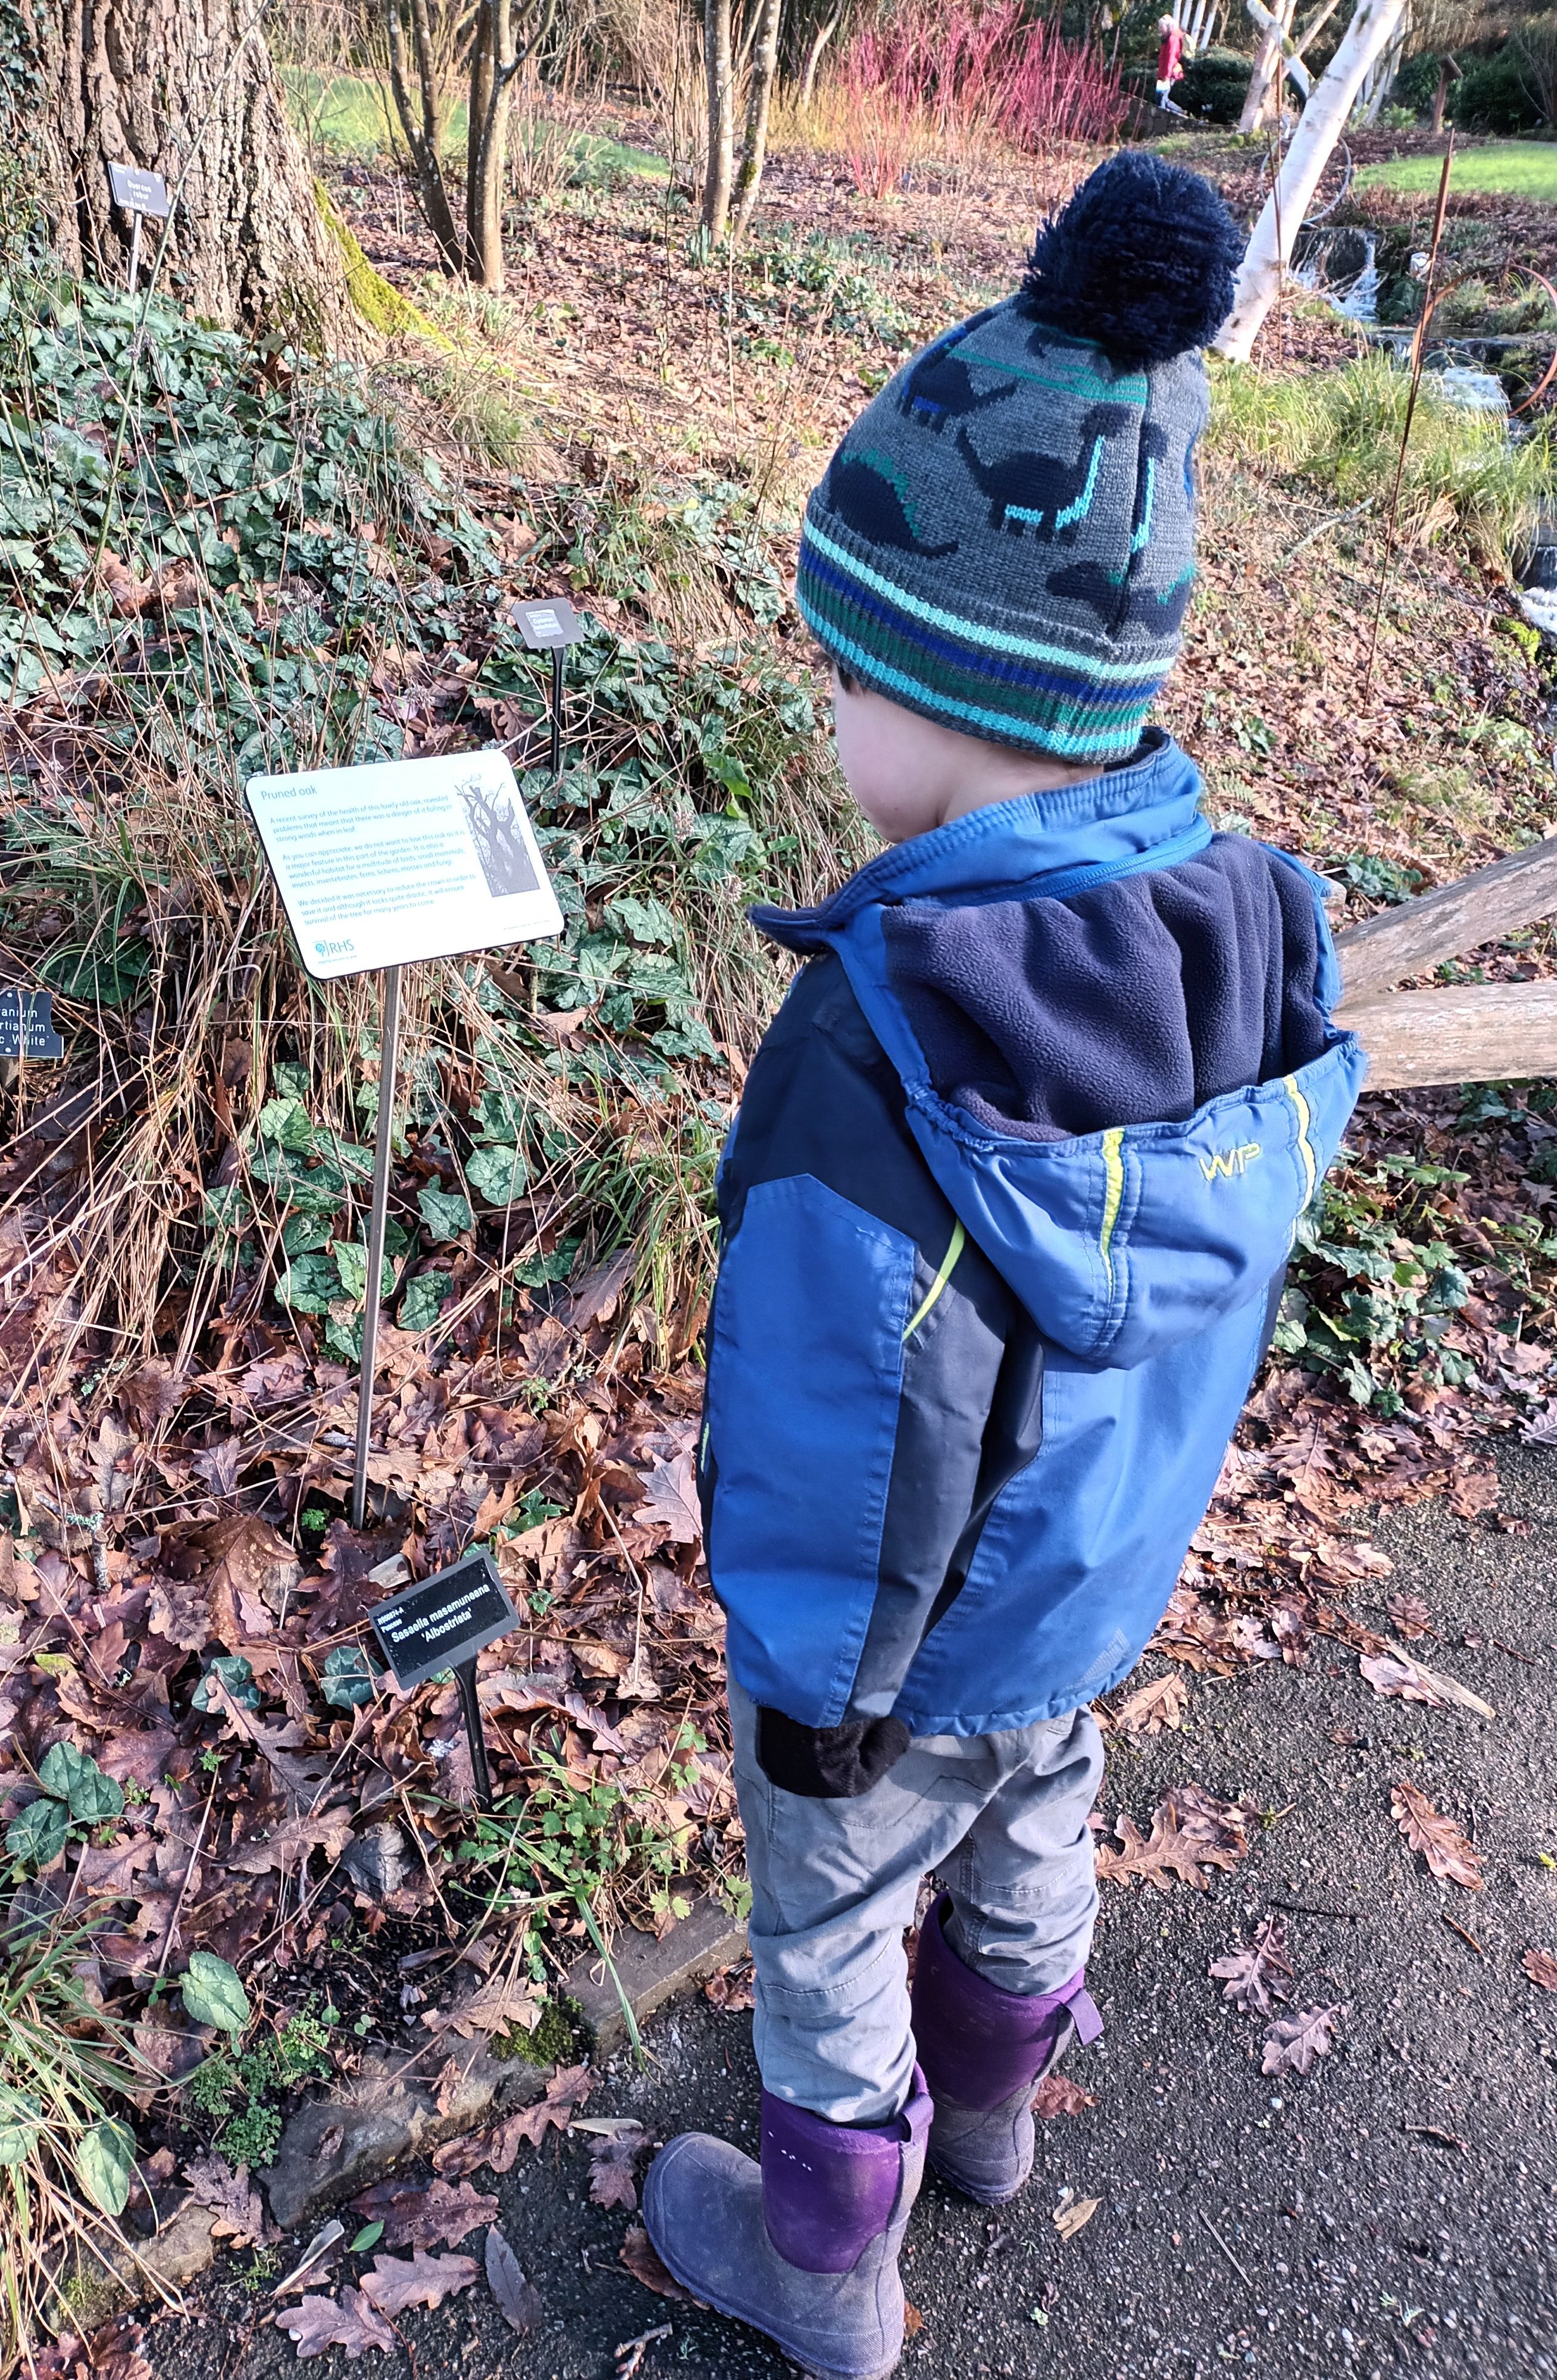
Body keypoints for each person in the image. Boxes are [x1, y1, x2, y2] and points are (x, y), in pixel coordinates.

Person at [642, 149, 1366, 2380]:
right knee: (1034, 1808)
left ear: (940, 701)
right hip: (1089, 1574)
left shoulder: (885, 1042)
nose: (826, 714)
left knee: (834, 1901)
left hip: (895, 1626)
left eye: (844, 670)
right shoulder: (1243, 922)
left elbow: (839, 1404)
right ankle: (995, 2125)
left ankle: (824, 2264)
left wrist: (809, 1686)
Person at [1156, 12, 1187, 109]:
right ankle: (1181, 112)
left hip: (1168, 74)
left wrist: (1167, 76)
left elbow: (1171, 58)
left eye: (1162, 26)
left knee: (1161, 99)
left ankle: (1176, 114)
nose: (1159, 28)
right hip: (1164, 73)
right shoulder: (1167, 38)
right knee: (1161, 98)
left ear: (1168, 26)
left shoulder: (1172, 39)